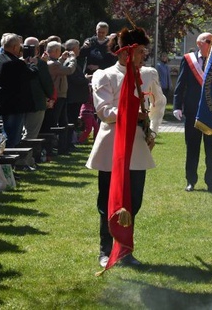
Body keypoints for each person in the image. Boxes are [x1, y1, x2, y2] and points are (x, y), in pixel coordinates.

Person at [85, 28, 157, 268]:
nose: (142, 55)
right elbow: (104, 112)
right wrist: (131, 113)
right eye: (139, 51)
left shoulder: (146, 75)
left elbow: (156, 105)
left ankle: (125, 249)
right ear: (126, 53)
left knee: (134, 201)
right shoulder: (105, 76)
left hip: (136, 146)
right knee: (108, 201)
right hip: (112, 147)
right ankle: (106, 250)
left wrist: (151, 128)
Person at [173, 32, 212, 193]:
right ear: (199, 43)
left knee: (211, 149)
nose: (211, 44)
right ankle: (190, 181)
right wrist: (177, 106)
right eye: (208, 41)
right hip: (193, 111)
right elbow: (180, 84)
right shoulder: (188, 60)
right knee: (192, 148)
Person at [0, 33, 38, 150]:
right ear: (14, 47)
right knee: (13, 136)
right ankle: (10, 164)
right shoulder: (14, 63)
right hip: (16, 104)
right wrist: (33, 64)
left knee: (7, 132)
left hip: (5, 102)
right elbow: (31, 74)